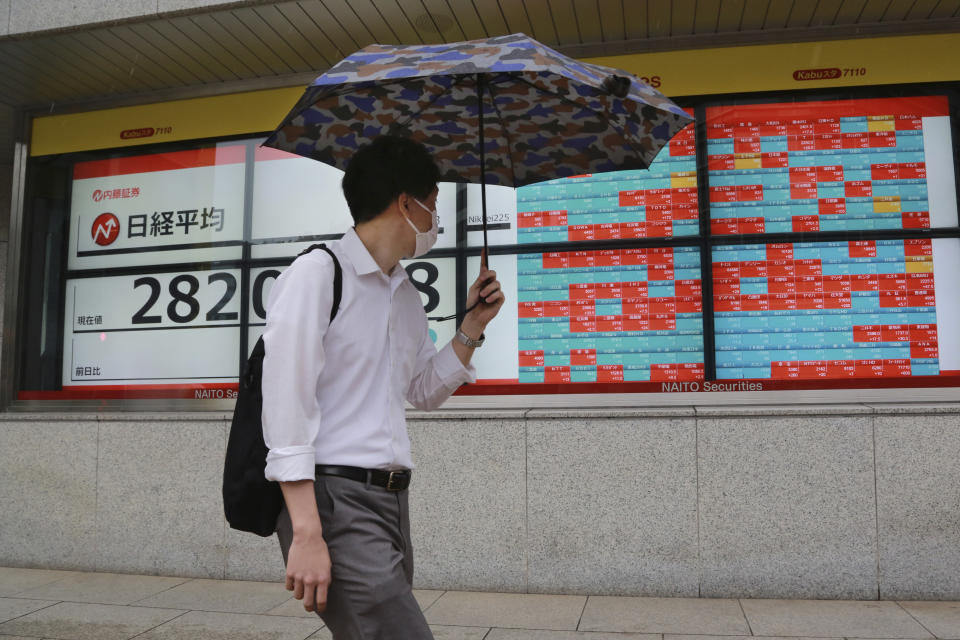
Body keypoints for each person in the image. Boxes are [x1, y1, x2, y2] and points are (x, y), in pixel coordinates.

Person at [261, 135, 504, 639]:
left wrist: (473, 326)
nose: (436, 221)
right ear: (406, 203)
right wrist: (305, 531)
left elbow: (422, 390)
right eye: (433, 206)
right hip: (333, 499)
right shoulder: (317, 275)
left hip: (391, 502)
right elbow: (285, 404)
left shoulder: (404, 294)